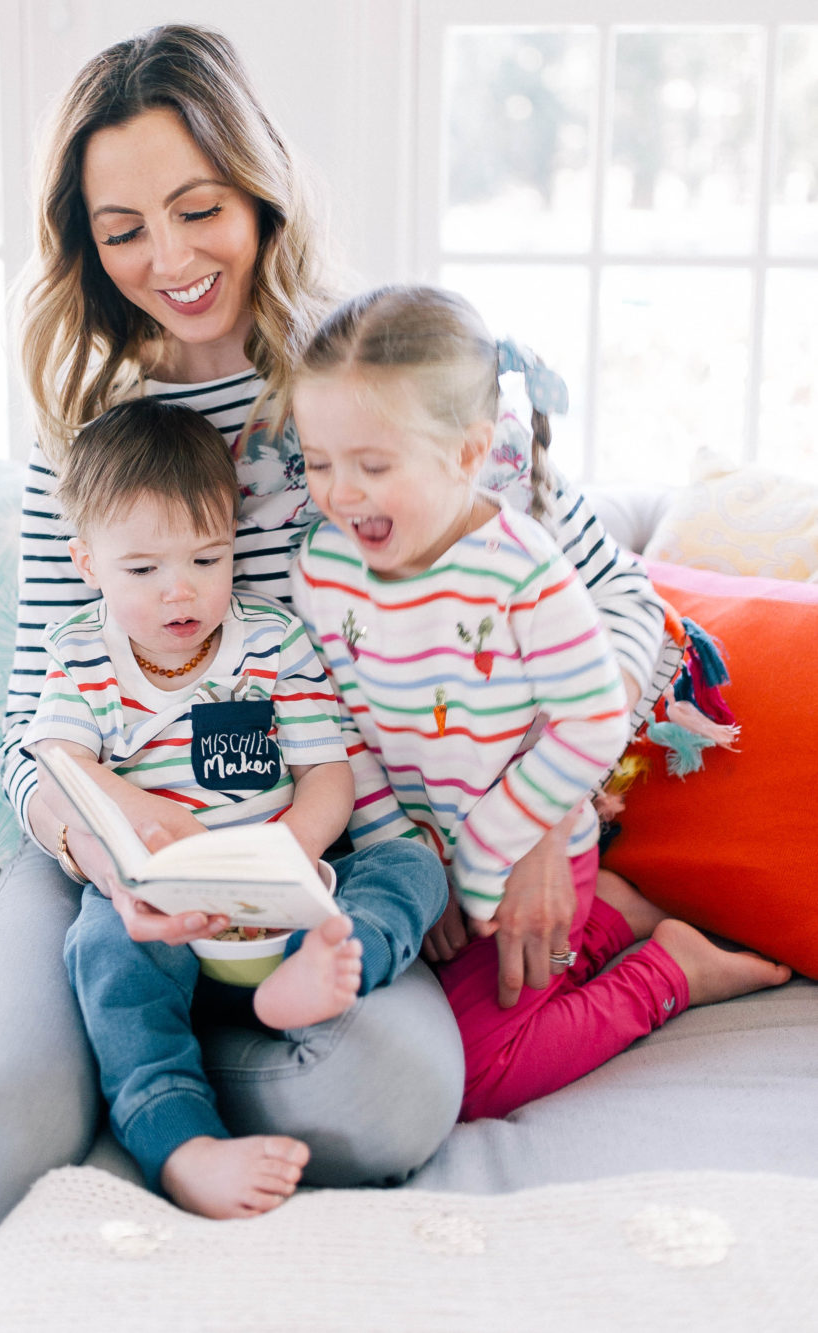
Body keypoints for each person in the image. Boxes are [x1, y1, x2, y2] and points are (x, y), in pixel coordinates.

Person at [0, 23, 674, 1333]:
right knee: (10, 1111)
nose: (168, 259)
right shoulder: (96, 432)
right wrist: (103, 842)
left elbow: (623, 606)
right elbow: (31, 732)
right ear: (85, 247)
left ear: (259, 191)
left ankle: (104, 1061)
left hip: (322, 860)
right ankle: (64, 1045)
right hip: (120, 858)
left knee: (387, 1097)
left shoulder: (383, 373)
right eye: (122, 228)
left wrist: (538, 829)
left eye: (197, 208)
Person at [289, 283, 791, 1120]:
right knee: (357, 1027)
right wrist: (410, 858)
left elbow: (592, 715)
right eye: (317, 462)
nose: (341, 494)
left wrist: (489, 852)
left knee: (475, 1079)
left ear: (467, 452)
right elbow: (344, 726)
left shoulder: (520, 569)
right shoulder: (322, 568)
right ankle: (608, 919)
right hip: (415, 863)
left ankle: (671, 968)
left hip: (525, 848)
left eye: (373, 466)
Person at [26, 397, 447, 1217]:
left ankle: (326, 968)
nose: (179, 591)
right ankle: (182, 1143)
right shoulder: (78, 653)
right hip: (163, 911)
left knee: (410, 863)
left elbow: (330, 775)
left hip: (289, 903)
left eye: (207, 559)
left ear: (234, 544)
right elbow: (57, 760)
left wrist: (290, 852)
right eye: (143, 569)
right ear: (87, 564)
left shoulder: (274, 640)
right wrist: (136, 811)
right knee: (101, 947)